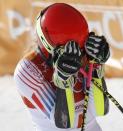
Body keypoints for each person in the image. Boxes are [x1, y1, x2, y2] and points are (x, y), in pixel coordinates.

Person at [14, 3, 110, 131]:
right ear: (51, 47)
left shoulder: (84, 53)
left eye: (80, 49)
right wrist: (63, 79)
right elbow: (65, 123)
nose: (79, 56)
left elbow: (100, 110)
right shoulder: (28, 69)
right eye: (70, 50)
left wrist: (97, 66)